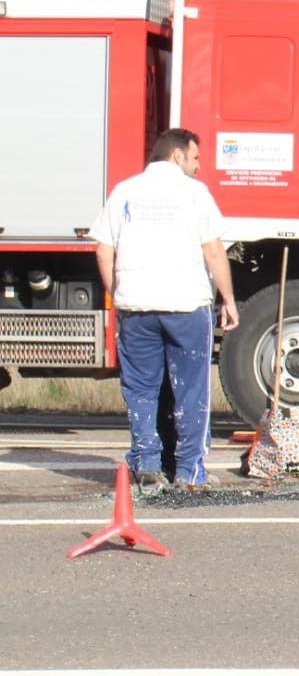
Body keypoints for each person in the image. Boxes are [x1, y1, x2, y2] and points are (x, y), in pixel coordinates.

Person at [90, 127, 239, 494]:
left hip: (136, 306)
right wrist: (229, 299)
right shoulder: (194, 194)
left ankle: (147, 465)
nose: (198, 167)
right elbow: (214, 250)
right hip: (186, 306)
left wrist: (119, 293)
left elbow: (102, 250)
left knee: (141, 388)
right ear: (177, 156)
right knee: (190, 388)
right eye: (195, 158)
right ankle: (189, 471)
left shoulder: (124, 191)